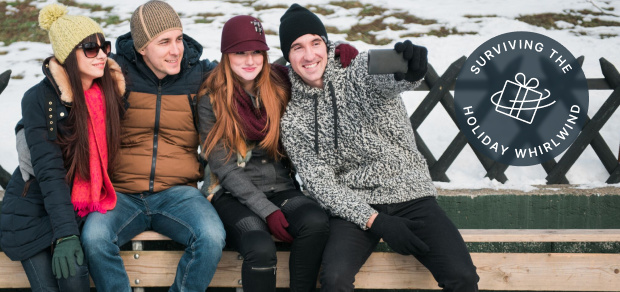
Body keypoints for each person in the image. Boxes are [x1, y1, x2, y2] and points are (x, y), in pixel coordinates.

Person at [278, 4, 480, 292]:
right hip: (354, 206)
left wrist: (408, 70)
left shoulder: (356, 69)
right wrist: (375, 221)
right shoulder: (293, 117)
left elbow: (387, 79)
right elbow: (320, 183)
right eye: (297, 47)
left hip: (409, 192)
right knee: (334, 279)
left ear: (327, 43)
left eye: (315, 42)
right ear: (288, 56)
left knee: (462, 276)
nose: (309, 55)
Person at [197, 15, 358, 292]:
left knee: (315, 222)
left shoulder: (281, 84)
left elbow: (312, 69)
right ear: (226, 55)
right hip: (231, 192)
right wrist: (267, 211)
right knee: (259, 246)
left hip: (280, 186)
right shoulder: (211, 97)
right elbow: (223, 166)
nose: (250, 60)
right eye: (240, 53)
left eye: (256, 52)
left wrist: (339, 59)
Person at [77, 1, 226, 291]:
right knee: (94, 238)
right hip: (120, 193)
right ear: (142, 47)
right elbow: (64, 86)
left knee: (211, 236)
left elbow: (247, 72)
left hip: (179, 193)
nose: (176, 50)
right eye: (164, 42)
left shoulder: (199, 75)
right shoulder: (114, 72)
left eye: (179, 39)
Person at [0, 4, 125, 291]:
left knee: (73, 277)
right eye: (90, 49)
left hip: (80, 210)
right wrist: (65, 235)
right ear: (69, 54)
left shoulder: (110, 94)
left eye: (104, 46)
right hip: (33, 210)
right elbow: (50, 173)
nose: (103, 54)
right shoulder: (39, 99)